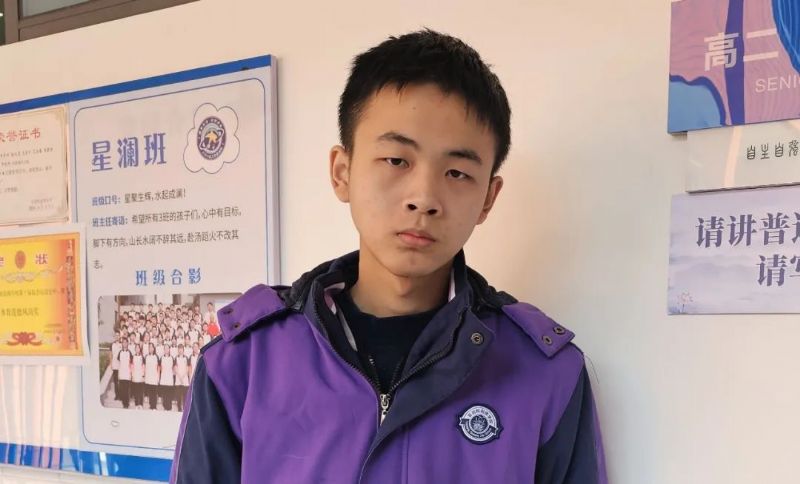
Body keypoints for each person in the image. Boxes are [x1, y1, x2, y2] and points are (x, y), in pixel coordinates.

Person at [171, 30, 606, 483]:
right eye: (397, 160)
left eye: (457, 172)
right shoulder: (243, 363)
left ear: (488, 199)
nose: (424, 198)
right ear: (342, 172)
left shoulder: (544, 372)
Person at [116, 338, 132, 409]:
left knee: (127, 390)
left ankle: (126, 404)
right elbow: (119, 363)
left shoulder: (129, 352)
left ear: (127, 343)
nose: (124, 343)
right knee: (122, 390)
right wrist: (119, 374)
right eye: (123, 342)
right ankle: (124, 403)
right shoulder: (120, 352)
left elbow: (131, 364)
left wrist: (130, 373)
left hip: (127, 373)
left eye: (126, 342)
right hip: (122, 373)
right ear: (122, 344)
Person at [144, 342, 160, 410]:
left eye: (151, 347)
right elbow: (145, 367)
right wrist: (145, 375)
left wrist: (158, 377)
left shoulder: (156, 357)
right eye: (149, 347)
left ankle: (154, 406)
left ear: (153, 348)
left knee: (154, 392)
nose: (150, 348)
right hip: (148, 376)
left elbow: (158, 367)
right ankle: (151, 405)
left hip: (154, 377)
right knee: (150, 392)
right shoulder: (146, 356)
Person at [131, 343, 145, 409]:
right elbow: (132, 367)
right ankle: (136, 404)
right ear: (135, 349)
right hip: (135, 375)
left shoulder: (142, 357)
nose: (137, 349)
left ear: (140, 349)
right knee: (136, 391)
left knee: (141, 391)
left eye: (138, 348)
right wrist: (132, 375)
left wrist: (143, 375)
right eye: (136, 348)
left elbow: (143, 367)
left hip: (140, 376)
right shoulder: (133, 357)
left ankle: (141, 404)